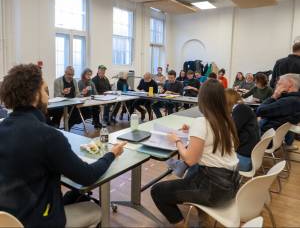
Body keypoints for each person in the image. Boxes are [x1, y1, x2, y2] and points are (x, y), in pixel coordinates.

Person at [0, 64, 126, 227]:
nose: (48, 96)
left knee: (75, 195)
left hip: (8, 216)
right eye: (45, 90)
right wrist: (112, 153)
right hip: (36, 221)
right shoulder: (48, 136)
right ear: (36, 95)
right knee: (95, 209)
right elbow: (88, 176)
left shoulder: (3, 127)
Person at [151, 79, 240, 226]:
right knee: (194, 170)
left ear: (202, 99)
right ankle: (203, 217)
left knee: (158, 191)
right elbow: (210, 135)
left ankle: (182, 224)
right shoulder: (226, 120)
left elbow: (190, 159)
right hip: (231, 184)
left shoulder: (202, 122)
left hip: (214, 189)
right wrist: (193, 130)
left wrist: (177, 140)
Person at [257, 74, 300, 150]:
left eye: (279, 83)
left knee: (241, 110)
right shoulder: (294, 99)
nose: (277, 85)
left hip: (265, 140)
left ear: (289, 84)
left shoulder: (288, 101)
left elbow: (260, 111)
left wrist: (273, 97)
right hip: (272, 137)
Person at [225, 89, 260, 171]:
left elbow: (230, 132)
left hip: (243, 160)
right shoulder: (242, 108)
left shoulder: (240, 109)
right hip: (248, 155)